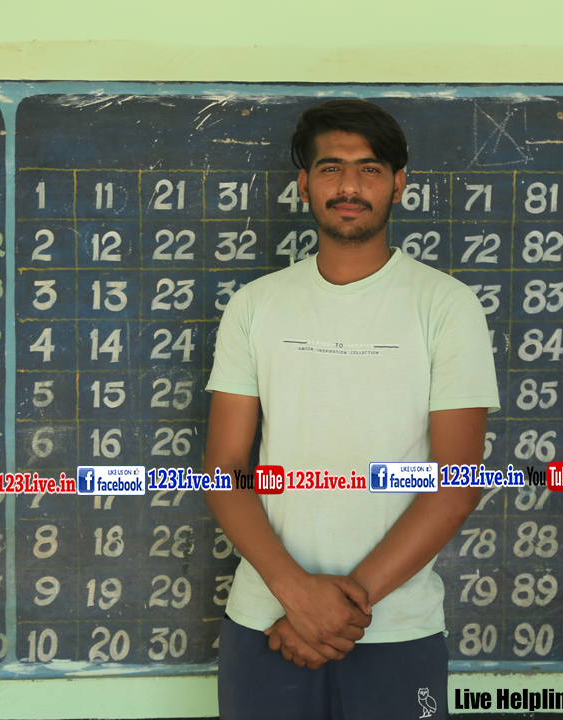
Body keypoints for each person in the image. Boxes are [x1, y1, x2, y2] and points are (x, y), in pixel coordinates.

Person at [202, 98, 499, 720]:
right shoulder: (255, 305)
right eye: (331, 168)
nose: (349, 187)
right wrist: (296, 595)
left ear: (398, 183)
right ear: (304, 183)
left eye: (369, 169)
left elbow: (457, 484)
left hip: (397, 627)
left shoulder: (447, 306)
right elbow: (223, 469)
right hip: (266, 619)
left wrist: (338, 607)